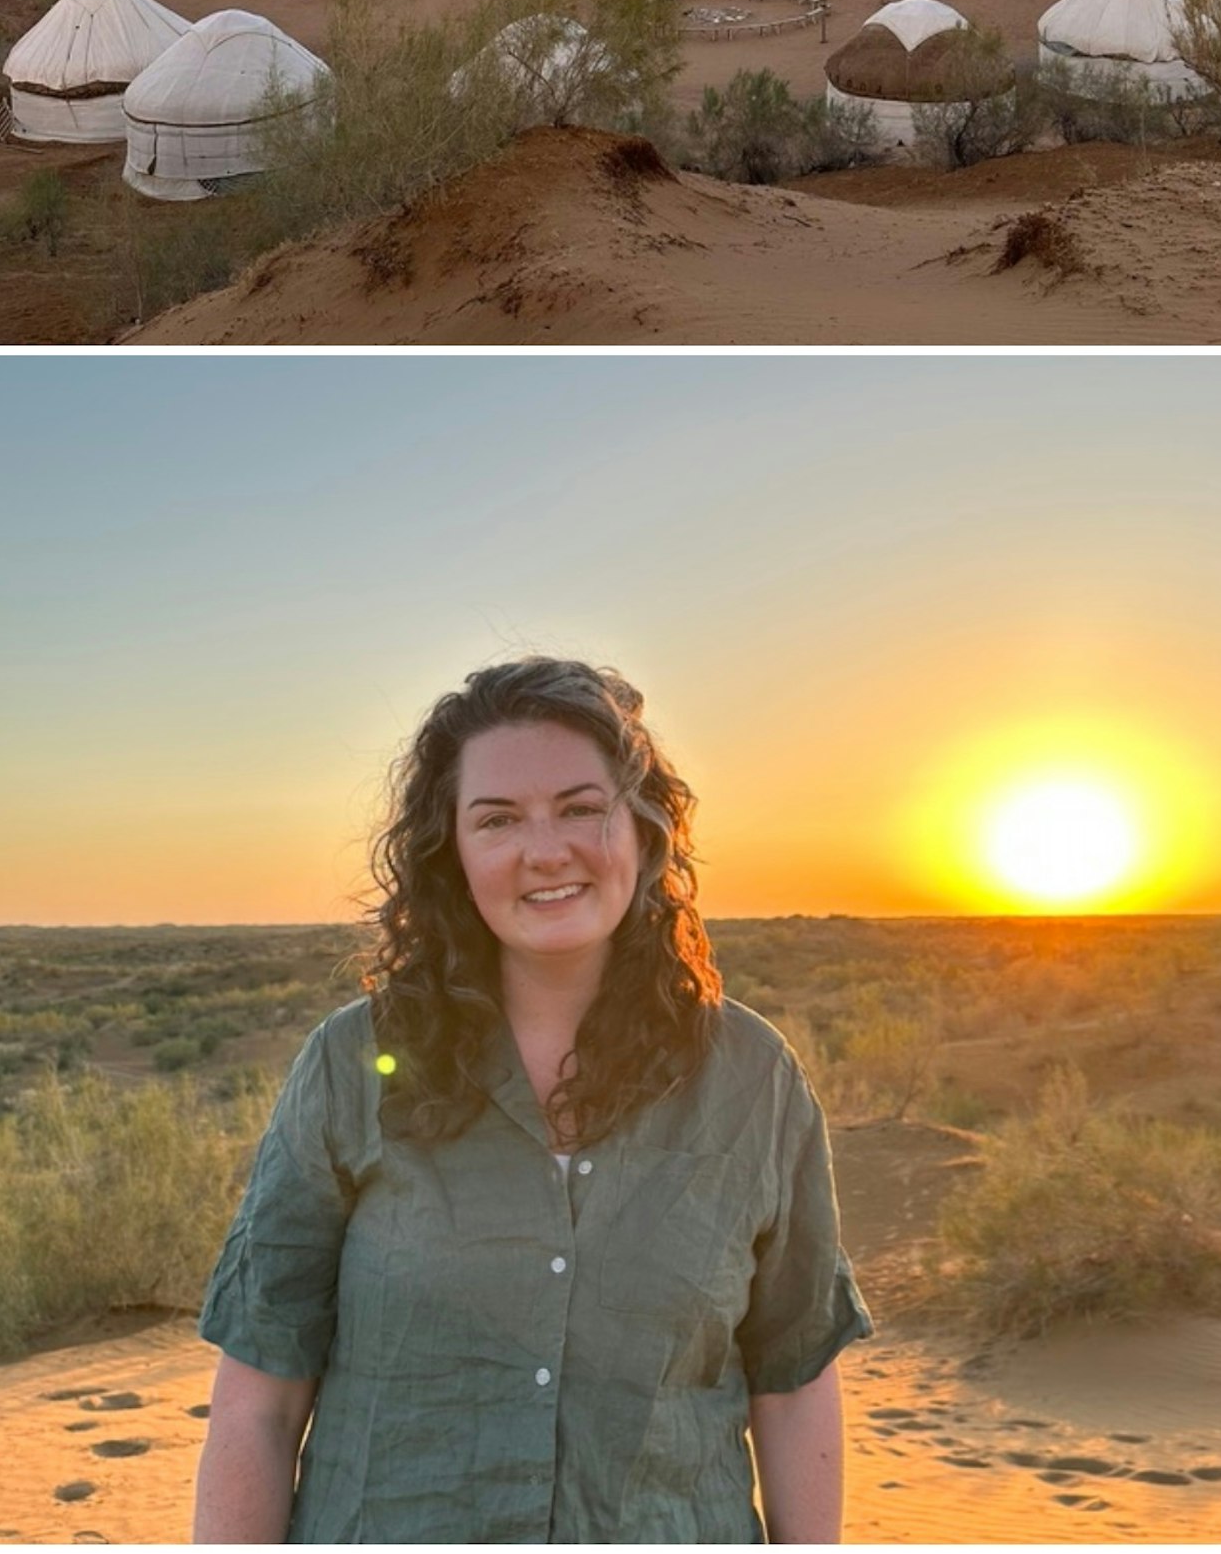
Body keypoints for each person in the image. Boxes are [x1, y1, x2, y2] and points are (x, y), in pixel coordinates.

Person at [190, 659, 868, 1543]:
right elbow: (259, 1403)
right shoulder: (351, 1064)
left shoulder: (751, 1079)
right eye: (498, 819)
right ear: (453, 853)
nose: (545, 850)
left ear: (644, 827)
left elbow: (793, 1379)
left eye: (581, 807)